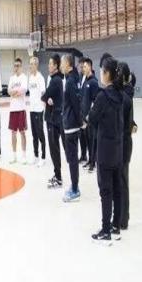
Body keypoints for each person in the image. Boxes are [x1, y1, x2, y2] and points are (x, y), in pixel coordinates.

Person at [88, 56, 124, 245]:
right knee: (117, 189)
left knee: (105, 191)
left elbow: (92, 119)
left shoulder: (103, 96)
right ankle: (116, 227)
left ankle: (105, 230)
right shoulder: (120, 95)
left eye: (102, 71)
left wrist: (90, 115)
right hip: (118, 148)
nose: (101, 74)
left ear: (107, 73)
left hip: (105, 150)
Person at [60, 54, 82, 203]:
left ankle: (75, 189)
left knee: (72, 159)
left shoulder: (70, 81)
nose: (61, 65)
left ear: (68, 64)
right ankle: (74, 185)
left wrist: (79, 122)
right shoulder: (72, 78)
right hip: (72, 124)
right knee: (72, 158)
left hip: (72, 126)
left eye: (62, 63)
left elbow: (75, 103)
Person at [118, 62, 137, 231]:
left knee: (122, 181)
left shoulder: (124, 96)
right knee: (122, 180)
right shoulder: (126, 93)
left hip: (123, 143)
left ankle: (123, 218)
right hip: (125, 141)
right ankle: (123, 215)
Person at [42, 53, 64, 189]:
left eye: (51, 64)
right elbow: (47, 97)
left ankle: (58, 178)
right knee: (54, 148)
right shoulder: (55, 79)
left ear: (56, 66)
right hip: (53, 118)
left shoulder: (55, 80)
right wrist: (48, 98)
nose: (49, 66)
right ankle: (57, 175)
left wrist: (47, 98)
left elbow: (44, 96)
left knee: (54, 149)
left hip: (53, 119)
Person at [8, 58, 28, 164]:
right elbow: (8, 91)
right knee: (13, 132)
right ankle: (14, 155)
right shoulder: (11, 78)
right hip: (13, 109)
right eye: (15, 65)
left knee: (22, 132)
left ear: (21, 66)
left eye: (18, 65)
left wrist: (14, 92)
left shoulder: (24, 77)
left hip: (21, 108)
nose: (16, 67)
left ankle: (23, 155)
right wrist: (15, 92)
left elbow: (23, 90)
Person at [80, 58, 99, 172]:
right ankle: (89, 159)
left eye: (85, 66)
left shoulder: (94, 82)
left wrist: (89, 115)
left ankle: (93, 162)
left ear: (90, 67)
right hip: (84, 116)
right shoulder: (85, 81)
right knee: (87, 139)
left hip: (90, 117)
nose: (83, 68)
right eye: (83, 67)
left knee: (92, 140)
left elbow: (95, 101)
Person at [27, 56, 46, 167]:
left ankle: (43, 157)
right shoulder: (30, 78)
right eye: (30, 64)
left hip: (39, 110)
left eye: (32, 64)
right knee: (34, 135)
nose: (30, 66)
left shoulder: (40, 77)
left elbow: (43, 93)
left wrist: (43, 106)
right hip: (32, 110)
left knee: (40, 134)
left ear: (36, 65)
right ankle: (36, 156)